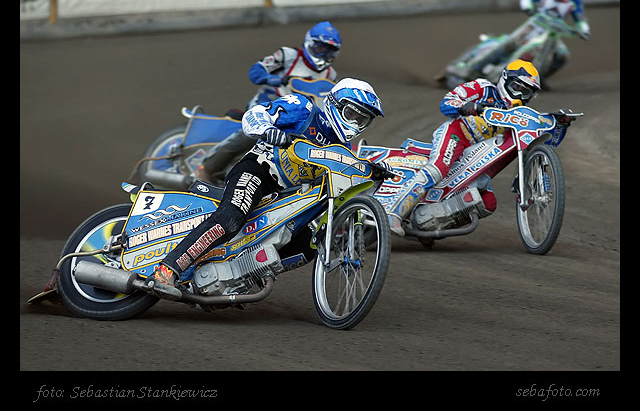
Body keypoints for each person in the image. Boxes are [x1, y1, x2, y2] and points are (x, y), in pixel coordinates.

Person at [146, 78, 384, 295]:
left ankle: (236, 276)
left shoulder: (343, 151)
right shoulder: (304, 108)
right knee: (231, 217)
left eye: (362, 119)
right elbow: (255, 115)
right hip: (259, 171)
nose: (355, 123)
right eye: (352, 113)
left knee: (307, 247)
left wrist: (375, 171)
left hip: (288, 198)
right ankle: (168, 269)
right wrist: (269, 130)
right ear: (334, 104)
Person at [385, 59, 541, 236]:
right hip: (458, 133)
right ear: (505, 80)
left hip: (480, 153)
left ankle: (429, 222)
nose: (520, 96)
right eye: (517, 88)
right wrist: (465, 107)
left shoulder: (519, 115)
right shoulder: (483, 87)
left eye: (526, 93)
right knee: (437, 168)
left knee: (488, 202)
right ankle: (393, 213)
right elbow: (446, 103)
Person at [195, 21, 342, 183]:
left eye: (329, 51)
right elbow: (256, 71)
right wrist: (275, 79)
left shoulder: (331, 75)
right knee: (253, 135)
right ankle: (207, 169)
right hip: (267, 105)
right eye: (320, 48)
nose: (324, 54)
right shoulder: (288, 56)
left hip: (298, 118)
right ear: (309, 43)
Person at [457, 0, 590, 80]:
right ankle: (473, 68)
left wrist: (584, 30)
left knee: (563, 55)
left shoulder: (574, 2)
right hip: (534, 24)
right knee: (509, 44)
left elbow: (580, 19)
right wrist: (528, 7)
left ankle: (541, 78)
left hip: (553, 33)